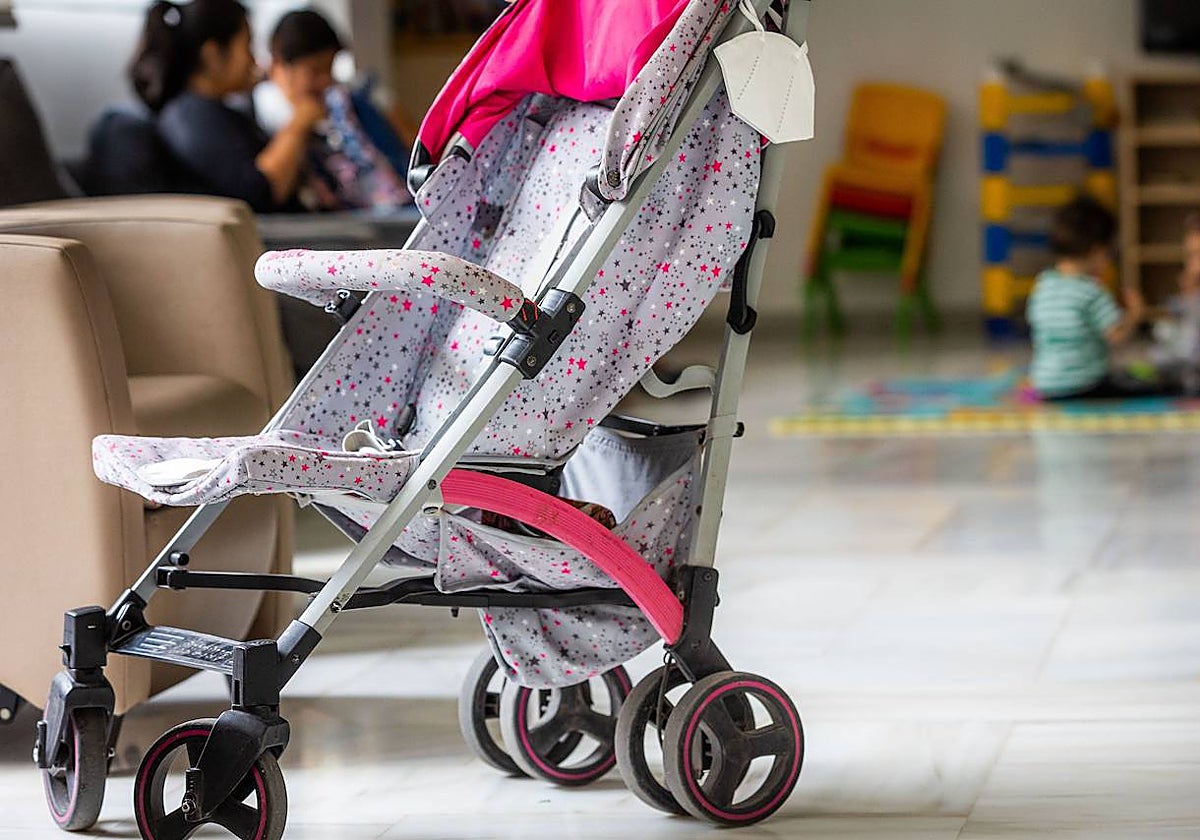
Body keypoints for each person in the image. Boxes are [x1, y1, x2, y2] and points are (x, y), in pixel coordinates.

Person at [128, 0, 320, 212]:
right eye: (247, 46)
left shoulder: (215, 111)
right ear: (212, 54)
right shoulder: (192, 118)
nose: (254, 61)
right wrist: (300, 122)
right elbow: (260, 193)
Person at [260, 9, 411, 211]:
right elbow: (268, 186)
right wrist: (301, 123)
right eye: (314, 71)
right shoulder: (263, 112)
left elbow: (412, 145)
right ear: (279, 66)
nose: (325, 81)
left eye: (329, 69)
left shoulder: (354, 100)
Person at [1026, 196, 1151, 400]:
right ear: (1097, 251)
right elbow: (1116, 335)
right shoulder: (1091, 291)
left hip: (1045, 383)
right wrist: (1136, 313)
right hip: (1085, 385)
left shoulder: (1043, 284)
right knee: (1149, 385)